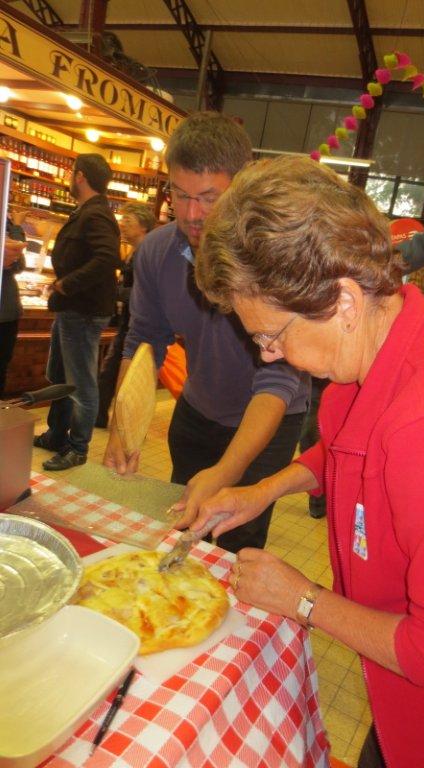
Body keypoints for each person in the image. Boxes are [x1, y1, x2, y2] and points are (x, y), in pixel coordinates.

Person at [191, 156, 424, 768]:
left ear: (343, 300)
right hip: (410, 687)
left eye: (272, 336)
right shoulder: (385, 343)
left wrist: (304, 599)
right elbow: (347, 450)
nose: (269, 355)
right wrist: (264, 490)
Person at [103, 112, 309, 553]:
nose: (192, 214)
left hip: (269, 421)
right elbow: (144, 341)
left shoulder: (274, 258)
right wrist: (122, 423)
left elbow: (278, 379)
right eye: (180, 195)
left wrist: (227, 471)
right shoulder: (156, 252)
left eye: (208, 198)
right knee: (182, 532)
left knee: (235, 543)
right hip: (197, 411)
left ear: (239, 188)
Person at [300, 195, 424, 518]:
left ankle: (332, 493)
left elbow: (413, 252)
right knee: (317, 428)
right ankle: (321, 496)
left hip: (364, 369)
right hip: (323, 376)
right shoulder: (308, 264)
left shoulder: (370, 264)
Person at [33, 154, 120, 470]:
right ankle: (57, 434)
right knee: (60, 375)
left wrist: (66, 284)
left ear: (80, 176)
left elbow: (107, 258)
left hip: (82, 312)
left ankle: (78, 448)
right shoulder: (88, 211)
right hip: (72, 310)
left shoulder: (95, 214)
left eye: (72, 173)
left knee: (82, 384)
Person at [95, 202, 156, 428]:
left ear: (143, 226)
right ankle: (103, 416)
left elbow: (145, 292)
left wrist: (113, 291)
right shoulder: (135, 251)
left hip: (138, 325)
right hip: (128, 322)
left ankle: (118, 421)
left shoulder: (145, 253)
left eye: (128, 221)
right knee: (113, 372)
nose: (122, 225)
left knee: (122, 374)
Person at [0, 217, 26, 398]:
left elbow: (19, 265)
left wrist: (16, 227)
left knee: (1, 366)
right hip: (7, 311)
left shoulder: (8, 223)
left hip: (7, 313)